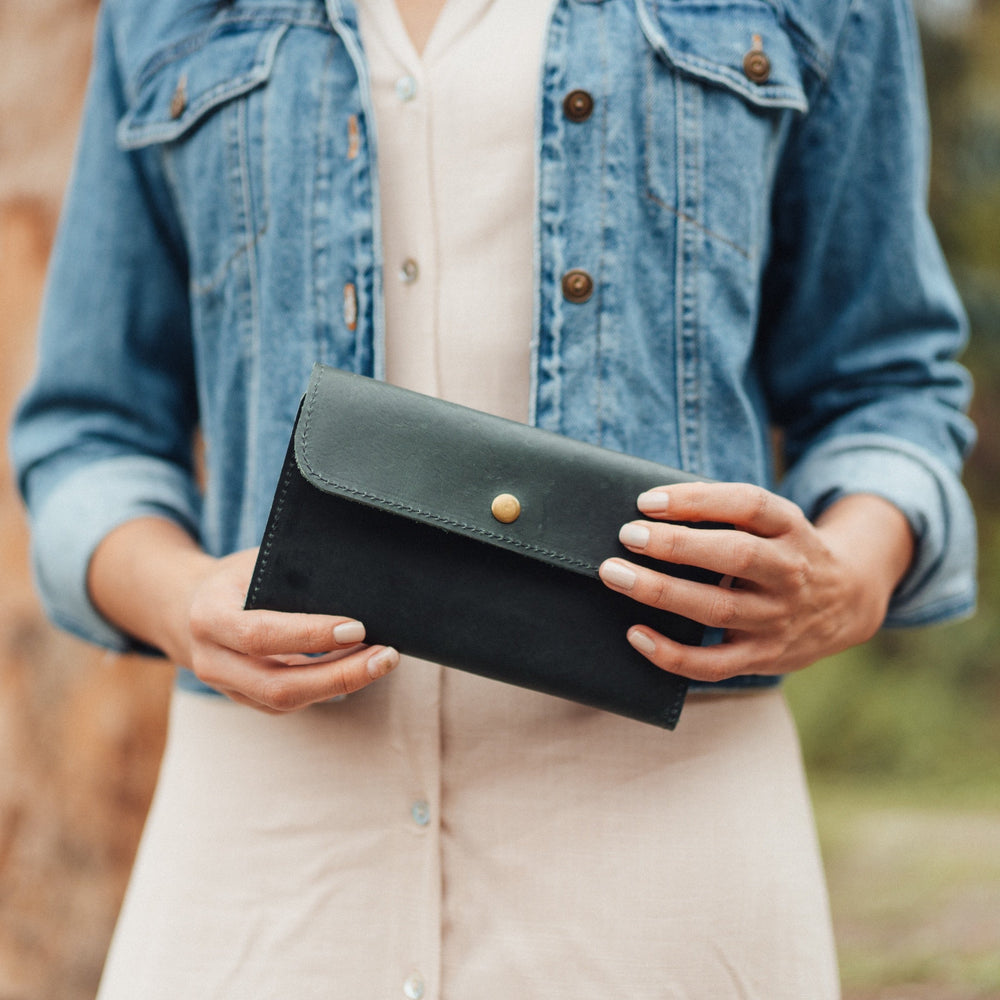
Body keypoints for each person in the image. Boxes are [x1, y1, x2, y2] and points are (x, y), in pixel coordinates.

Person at [11, 0, 976, 996]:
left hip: (663, 835)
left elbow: (884, 382)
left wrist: (852, 577)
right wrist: (175, 598)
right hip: (267, 840)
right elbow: (89, 429)